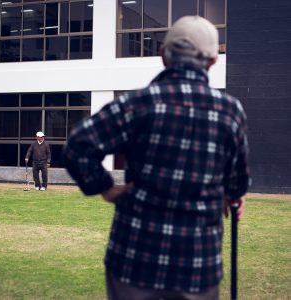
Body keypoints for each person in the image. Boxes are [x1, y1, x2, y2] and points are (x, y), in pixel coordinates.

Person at [63, 16, 250, 300]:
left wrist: (106, 188)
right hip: (197, 264)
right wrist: (233, 194)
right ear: (212, 61)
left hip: (134, 258)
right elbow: (237, 182)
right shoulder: (230, 112)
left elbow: (77, 146)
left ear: (163, 55)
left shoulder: (135, 104)